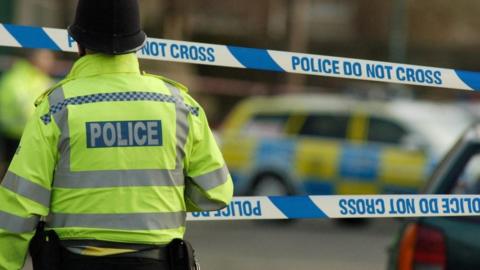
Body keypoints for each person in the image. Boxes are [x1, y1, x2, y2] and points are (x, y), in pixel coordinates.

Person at [0, 0, 233, 269]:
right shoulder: (181, 106)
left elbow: (19, 205)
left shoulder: (56, 108)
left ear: (78, 44)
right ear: (138, 45)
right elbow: (216, 192)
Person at [0, 50, 55, 169]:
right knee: (14, 172)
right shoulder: (19, 78)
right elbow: (24, 108)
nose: (50, 63)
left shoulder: (42, 78)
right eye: (46, 59)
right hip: (17, 135)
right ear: (33, 59)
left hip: (30, 134)